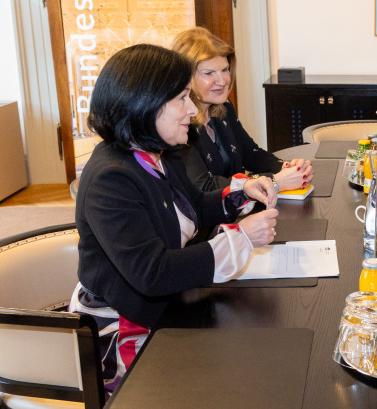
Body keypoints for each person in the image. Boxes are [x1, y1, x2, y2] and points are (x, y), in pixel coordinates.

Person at [69, 44, 281, 395]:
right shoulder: (111, 177)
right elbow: (152, 273)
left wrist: (243, 192)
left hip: (167, 307)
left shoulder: (160, 154)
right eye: (182, 98)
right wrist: (240, 238)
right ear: (145, 104)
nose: (192, 110)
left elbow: (195, 207)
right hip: (120, 329)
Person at [171, 27, 313, 193]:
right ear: (186, 78)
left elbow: (251, 154)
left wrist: (288, 168)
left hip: (238, 210)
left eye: (225, 70)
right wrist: (275, 182)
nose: (222, 81)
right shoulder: (179, 125)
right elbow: (204, 186)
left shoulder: (224, 108)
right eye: (209, 73)